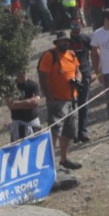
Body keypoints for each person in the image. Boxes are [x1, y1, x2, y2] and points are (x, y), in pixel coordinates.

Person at [36, 32, 84, 170]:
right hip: (57, 100)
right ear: (57, 42)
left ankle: (64, 159)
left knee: (69, 131)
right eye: (62, 41)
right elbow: (42, 77)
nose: (65, 43)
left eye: (67, 41)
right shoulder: (49, 55)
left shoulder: (72, 54)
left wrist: (77, 80)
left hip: (71, 99)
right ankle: (48, 163)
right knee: (55, 131)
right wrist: (49, 98)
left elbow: (78, 71)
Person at [66, 16, 93, 144]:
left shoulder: (87, 38)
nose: (75, 28)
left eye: (77, 25)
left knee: (84, 104)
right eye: (73, 26)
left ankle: (82, 131)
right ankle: (73, 133)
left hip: (85, 73)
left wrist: (95, 70)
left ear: (81, 25)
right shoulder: (66, 41)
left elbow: (95, 53)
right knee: (71, 106)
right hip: (70, 77)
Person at [5, 70, 41, 142]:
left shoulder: (33, 85)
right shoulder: (11, 86)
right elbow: (10, 105)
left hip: (32, 122)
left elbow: (35, 103)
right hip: (18, 123)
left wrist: (16, 103)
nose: (22, 74)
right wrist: (28, 102)